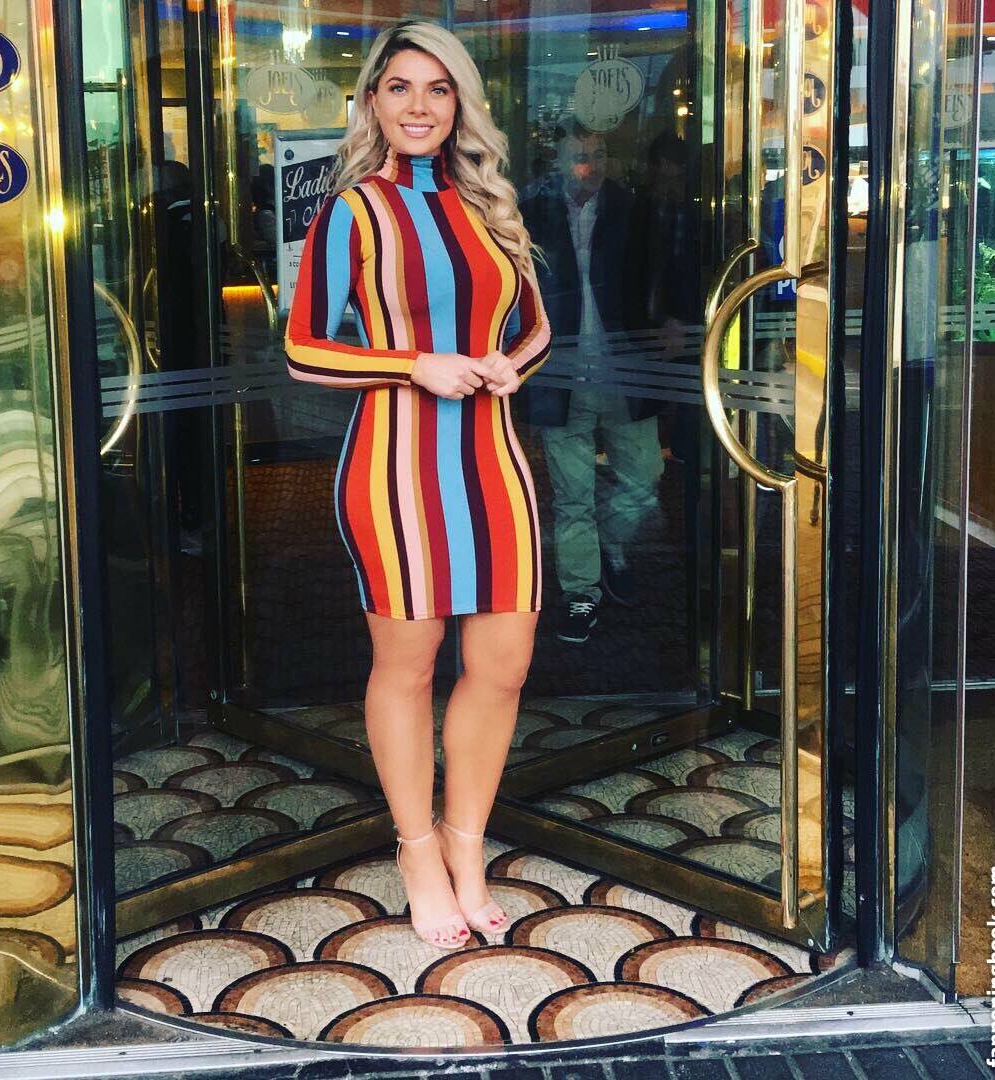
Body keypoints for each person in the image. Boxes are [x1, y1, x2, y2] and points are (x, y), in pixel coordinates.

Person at [284, 21, 551, 950]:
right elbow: (303, 348)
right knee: (409, 663)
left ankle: (466, 844)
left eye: (439, 89)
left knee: (503, 665)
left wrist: (510, 364)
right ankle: (417, 852)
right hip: (394, 466)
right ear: (372, 101)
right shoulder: (354, 210)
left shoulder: (489, 205)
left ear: (460, 103)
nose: (420, 106)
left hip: (494, 463)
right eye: (400, 87)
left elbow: (536, 326)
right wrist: (413, 365)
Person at [519, 121, 664, 644]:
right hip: (560, 374)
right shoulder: (531, 213)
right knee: (572, 496)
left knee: (643, 479)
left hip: (624, 369)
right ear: (557, 161)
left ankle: (611, 544)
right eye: (579, 154)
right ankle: (581, 591)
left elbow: (660, 274)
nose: (589, 165)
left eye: (598, 153)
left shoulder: (633, 209)